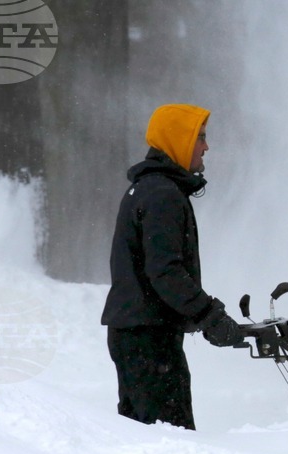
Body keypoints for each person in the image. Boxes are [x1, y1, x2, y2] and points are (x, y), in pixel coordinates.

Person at [101, 104, 244, 430]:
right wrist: (211, 316)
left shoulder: (151, 188)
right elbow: (164, 271)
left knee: (146, 436)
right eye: (200, 138)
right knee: (169, 441)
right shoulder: (161, 194)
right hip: (147, 339)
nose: (206, 147)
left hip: (139, 334)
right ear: (179, 140)